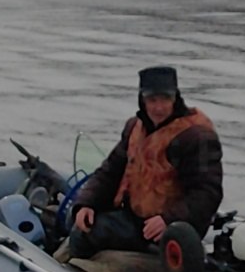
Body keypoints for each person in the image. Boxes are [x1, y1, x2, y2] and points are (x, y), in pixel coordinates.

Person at [59, 65, 223, 261]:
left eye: (165, 99)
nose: (159, 107)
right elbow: (109, 171)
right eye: (152, 100)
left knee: (85, 234)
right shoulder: (134, 127)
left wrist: (168, 219)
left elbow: (208, 193)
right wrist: (86, 203)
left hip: (167, 227)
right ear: (142, 100)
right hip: (133, 215)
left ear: (175, 98)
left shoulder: (195, 136)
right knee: (75, 217)